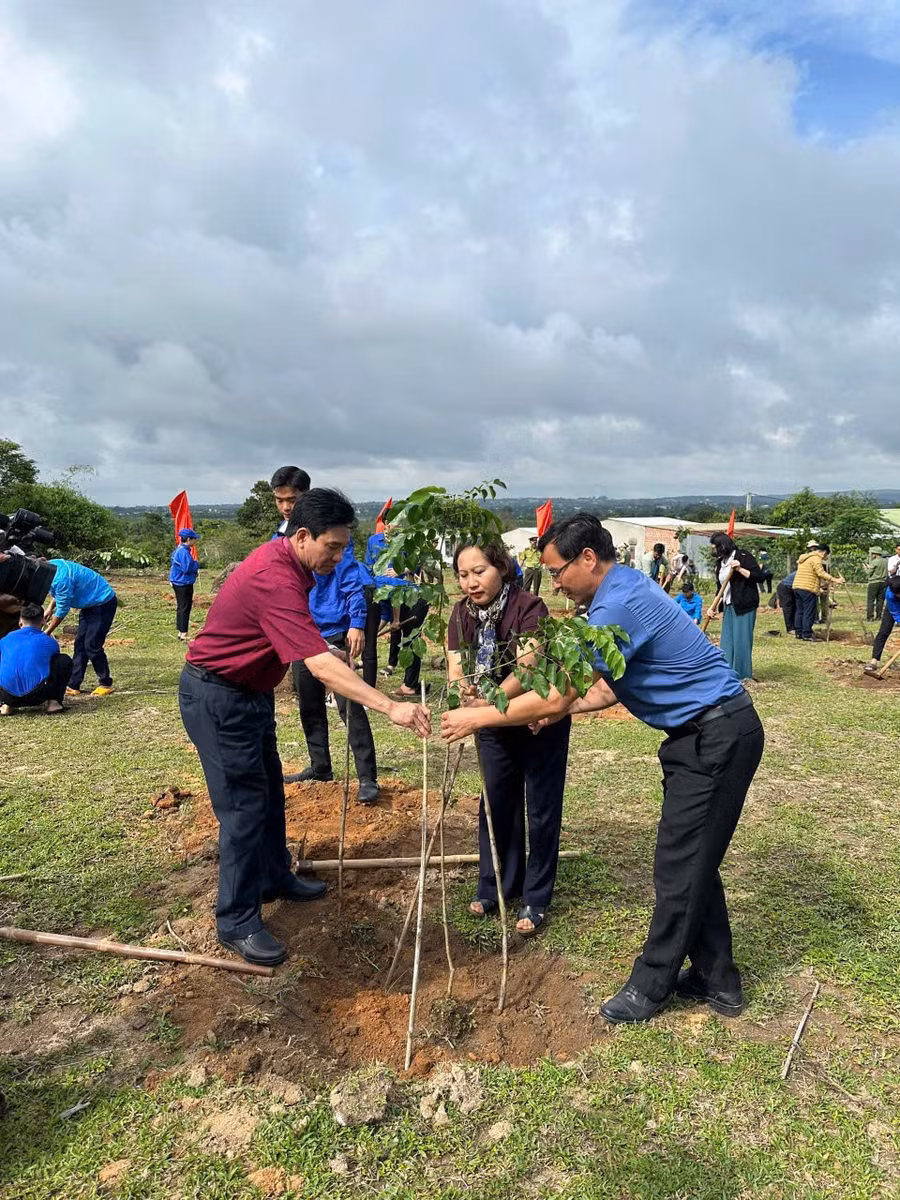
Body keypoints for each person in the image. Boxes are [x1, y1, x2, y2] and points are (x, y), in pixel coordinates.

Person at [441, 514, 764, 1024]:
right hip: (702, 735)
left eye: (557, 571)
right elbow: (606, 688)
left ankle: (651, 984)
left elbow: (560, 692)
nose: (555, 584)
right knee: (693, 860)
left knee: (678, 865)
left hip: (716, 734)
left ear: (588, 558)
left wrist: (480, 716)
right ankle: (716, 977)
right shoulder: (621, 591)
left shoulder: (617, 605)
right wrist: (558, 710)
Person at [179, 488, 430, 967]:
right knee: (243, 808)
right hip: (217, 697)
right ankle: (236, 920)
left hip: (249, 694)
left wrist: (324, 647)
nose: (337, 557)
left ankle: (275, 876)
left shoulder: (295, 567)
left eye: (343, 547)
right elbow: (316, 665)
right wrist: (388, 706)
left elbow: (296, 634)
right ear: (301, 536)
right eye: (331, 547)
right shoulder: (274, 576)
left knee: (269, 792)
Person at [447, 542, 570, 936]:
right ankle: (496, 884)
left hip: (537, 718)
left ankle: (536, 896)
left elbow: (527, 669)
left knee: (541, 807)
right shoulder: (460, 614)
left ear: (500, 567)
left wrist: (486, 702)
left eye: (479, 571)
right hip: (491, 723)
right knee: (496, 802)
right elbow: (456, 668)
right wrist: (465, 692)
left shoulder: (529, 607)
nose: (471, 582)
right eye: (463, 575)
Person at [268, 468, 379, 800]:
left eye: (292, 499)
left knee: (350, 703)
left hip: (335, 632)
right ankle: (320, 767)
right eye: (279, 500)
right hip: (302, 633)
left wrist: (357, 623)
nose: (286, 507)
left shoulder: (332, 536)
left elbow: (351, 581)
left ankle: (367, 778)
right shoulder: (278, 540)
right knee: (310, 704)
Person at [43, 558, 117, 696]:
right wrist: (49, 608)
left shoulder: (61, 578)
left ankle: (105, 683)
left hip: (103, 603)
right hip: (89, 604)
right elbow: (59, 592)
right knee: (80, 645)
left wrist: (48, 631)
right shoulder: (51, 566)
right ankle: (74, 684)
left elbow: (62, 610)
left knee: (92, 646)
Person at [708, 533, 765, 682]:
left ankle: (742, 675)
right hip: (728, 605)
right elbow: (720, 588)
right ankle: (727, 673)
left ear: (722, 546)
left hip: (744, 604)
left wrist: (740, 569)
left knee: (741, 640)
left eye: (714, 547)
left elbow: (759, 577)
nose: (713, 550)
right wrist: (713, 607)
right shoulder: (720, 563)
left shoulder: (743, 556)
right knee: (727, 641)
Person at [0, 603, 72, 715]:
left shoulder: (5, 639)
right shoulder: (49, 642)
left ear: (20, 622)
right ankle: (54, 703)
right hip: (37, 696)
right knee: (63, 660)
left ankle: (7, 705)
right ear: (43, 621)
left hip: (7, 696)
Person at [792, 546, 843, 642]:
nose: (825, 558)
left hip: (797, 586)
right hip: (808, 588)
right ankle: (807, 634)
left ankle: (799, 632)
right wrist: (835, 580)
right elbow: (820, 573)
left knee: (800, 611)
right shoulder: (816, 559)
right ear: (823, 552)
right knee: (809, 611)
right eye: (826, 556)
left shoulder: (804, 558)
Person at [864, 576, 900, 677]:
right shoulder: (890, 595)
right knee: (883, 632)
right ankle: (874, 661)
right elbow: (896, 613)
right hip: (893, 609)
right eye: (897, 594)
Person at [169, 528, 200, 641]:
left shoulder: (179, 549)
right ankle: (183, 633)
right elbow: (186, 568)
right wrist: (196, 564)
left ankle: (181, 631)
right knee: (185, 607)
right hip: (183, 583)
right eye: (194, 539)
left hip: (178, 581)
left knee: (181, 607)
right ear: (188, 539)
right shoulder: (184, 552)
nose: (195, 541)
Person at [865, 548, 889, 622]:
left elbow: (868, 572)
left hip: (874, 582)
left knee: (871, 600)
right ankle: (879, 616)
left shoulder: (874, 562)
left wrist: (866, 568)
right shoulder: (886, 561)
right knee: (880, 600)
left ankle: (870, 617)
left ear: (874, 554)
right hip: (883, 582)